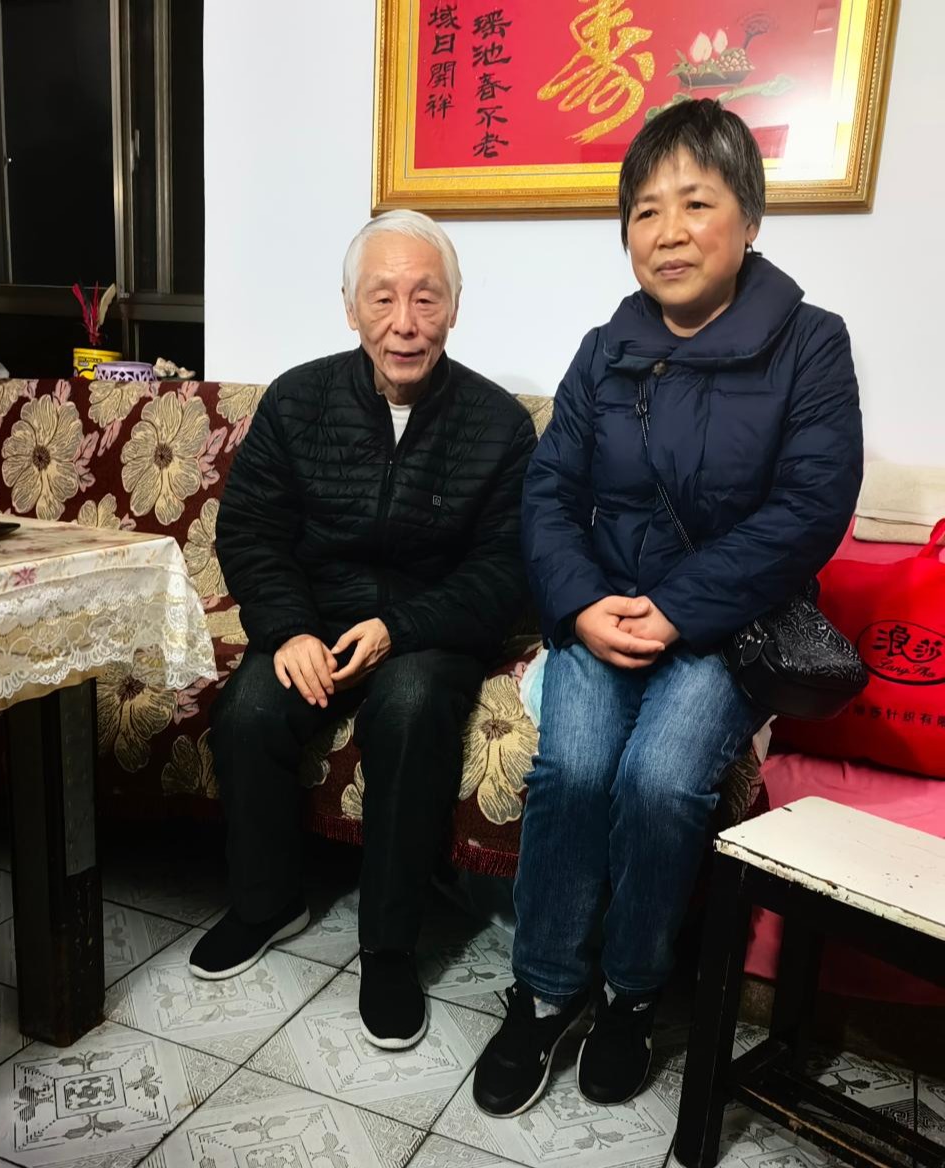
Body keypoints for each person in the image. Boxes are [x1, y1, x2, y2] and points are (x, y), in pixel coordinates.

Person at [473, 99, 863, 1116]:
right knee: (573, 767)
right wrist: (581, 604)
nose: (668, 231)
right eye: (645, 210)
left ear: (750, 217)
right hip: (602, 609)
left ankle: (631, 993)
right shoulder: (605, 347)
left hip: (727, 624)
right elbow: (548, 491)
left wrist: (679, 608)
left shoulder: (811, 344)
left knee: (658, 778)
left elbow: (811, 507)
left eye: (696, 202)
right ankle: (544, 988)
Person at [190, 210, 537, 1052]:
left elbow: (504, 571)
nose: (404, 323)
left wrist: (399, 626)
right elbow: (251, 531)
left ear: (455, 307)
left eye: (426, 298)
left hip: (430, 631)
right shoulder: (298, 399)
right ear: (351, 309)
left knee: (411, 709)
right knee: (249, 711)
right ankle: (267, 903)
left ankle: (388, 946)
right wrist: (289, 630)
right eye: (382, 298)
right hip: (316, 620)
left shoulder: (499, 425)